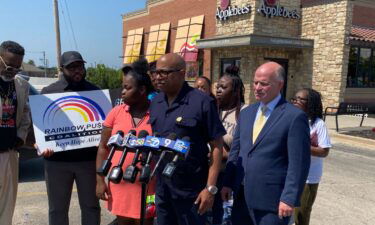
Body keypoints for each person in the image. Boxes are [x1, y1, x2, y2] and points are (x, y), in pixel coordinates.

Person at [221, 62, 311, 225]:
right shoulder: (247, 113)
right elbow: (236, 151)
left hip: (272, 202)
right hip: (241, 197)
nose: (257, 87)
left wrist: (289, 198)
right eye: (255, 82)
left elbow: (299, 163)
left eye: (264, 83)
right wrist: (227, 182)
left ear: (280, 85)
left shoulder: (294, 117)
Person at [150, 53, 226, 225]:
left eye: (164, 72)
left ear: (182, 73)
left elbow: (216, 146)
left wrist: (210, 189)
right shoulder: (156, 102)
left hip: (191, 190)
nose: (158, 77)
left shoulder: (202, 102)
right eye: (156, 72)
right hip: (164, 188)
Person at [39, 51, 100, 225]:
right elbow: (38, 127)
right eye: (71, 67)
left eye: (79, 66)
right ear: (62, 69)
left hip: (88, 161)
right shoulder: (48, 92)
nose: (77, 71)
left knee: (91, 207)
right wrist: (41, 143)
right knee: (57, 209)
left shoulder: (95, 91)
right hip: (56, 162)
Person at [96, 58, 156, 225]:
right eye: (123, 87)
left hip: (147, 186)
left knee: (146, 222)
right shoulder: (115, 113)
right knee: (122, 222)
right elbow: (102, 147)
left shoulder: (158, 114)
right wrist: (100, 180)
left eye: (127, 88)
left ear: (142, 89)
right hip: (119, 182)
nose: (122, 92)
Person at [0, 40, 31, 225]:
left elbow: (25, 112)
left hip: (10, 154)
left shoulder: (20, 85)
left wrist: (21, 135)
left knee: (7, 206)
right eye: (9, 66)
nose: (12, 71)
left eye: (17, 68)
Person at [291, 88, 331, 225]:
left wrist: (302, 147)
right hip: (291, 174)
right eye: (294, 98)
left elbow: (324, 151)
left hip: (309, 177)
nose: (295, 101)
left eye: (300, 99)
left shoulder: (318, 124)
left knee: (301, 214)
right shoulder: (292, 119)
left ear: (310, 103)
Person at [214, 67, 247, 225]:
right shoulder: (213, 110)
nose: (218, 90)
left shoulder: (245, 113)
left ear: (236, 91)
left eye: (223, 87)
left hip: (231, 177)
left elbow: (245, 149)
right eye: (217, 87)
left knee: (226, 219)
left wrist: (221, 154)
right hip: (211, 175)